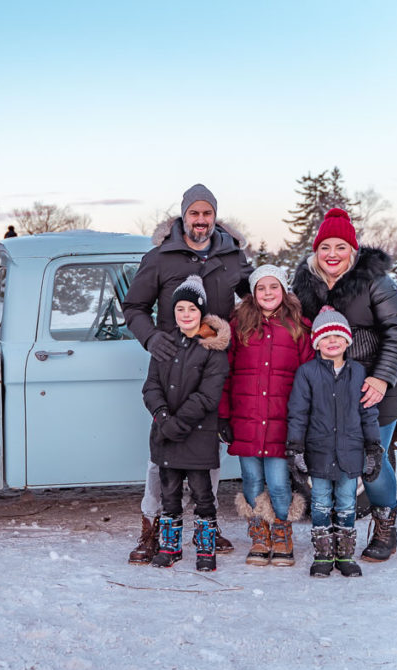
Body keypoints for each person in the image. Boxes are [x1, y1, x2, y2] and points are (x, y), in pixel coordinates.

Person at [123, 183, 254, 564]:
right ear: (184, 216)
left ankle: (204, 528)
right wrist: (150, 339)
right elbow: (134, 306)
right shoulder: (160, 257)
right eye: (194, 214)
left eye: (207, 214)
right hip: (170, 362)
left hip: (213, 361)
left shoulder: (232, 255)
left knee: (207, 450)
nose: (201, 221)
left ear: (215, 216)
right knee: (162, 450)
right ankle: (152, 528)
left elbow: (256, 299)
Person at [290, 208, 397, 562]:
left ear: (353, 251)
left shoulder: (375, 282)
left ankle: (386, 528)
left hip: (372, 387)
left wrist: (381, 377)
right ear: (316, 251)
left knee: (371, 465)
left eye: (340, 247)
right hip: (329, 391)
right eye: (325, 246)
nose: (332, 254)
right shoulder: (306, 284)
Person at [218, 265, 312, 567]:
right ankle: (259, 533)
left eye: (274, 287)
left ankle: (282, 532)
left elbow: (309, 376)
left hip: (280, 419)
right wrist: (224, 415)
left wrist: (304, 419)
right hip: (245, 417)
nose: (268, 293)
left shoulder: (298, 326)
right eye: (261, 288)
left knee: (279, 481)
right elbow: (226, 372)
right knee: (251, 479)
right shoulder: (238, 325)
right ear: (253, 293)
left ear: (283, 291)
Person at [286, 308, 384, 578]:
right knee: (319, 502)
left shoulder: (359, 372)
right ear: (317, 343)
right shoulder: (307, 373)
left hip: (350, 453)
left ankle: (345, 555)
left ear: (347, 341)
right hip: (319, 450)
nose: (332, 342)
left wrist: (373, 447)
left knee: (346, 503)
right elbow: (298, 413)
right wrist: (295, 447)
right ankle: (322, 555)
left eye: (337, 337)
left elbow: (368, 412)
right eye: (326, 337)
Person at [142, 276, 231, 571]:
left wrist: (178, 423)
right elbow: (151, 386)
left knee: (202, 494)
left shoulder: (212, 349)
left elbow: (208, 395)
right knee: (169, 494)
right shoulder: (164, 345)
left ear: (201, 312)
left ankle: (206, 549)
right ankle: (170, 547)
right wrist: (163, 418)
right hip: (165, 434)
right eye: (180, 308)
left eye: (191, 309)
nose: (186, 314)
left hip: (198, 435)